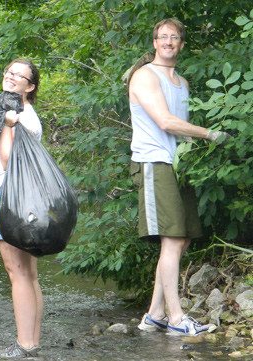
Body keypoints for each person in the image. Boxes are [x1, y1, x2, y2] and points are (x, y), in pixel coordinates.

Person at [129, 18, 229, 336]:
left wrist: (195, 153)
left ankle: (155, 314)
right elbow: (165, 121)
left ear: (181, 45)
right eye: (163, 37)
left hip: (177, 165)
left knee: (181, 240)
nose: (169, 41)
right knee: (171, 240)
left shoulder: (182, 83)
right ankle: (176, 319)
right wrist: (209, 134)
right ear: (155, 43)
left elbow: (181, 132)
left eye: (175, 37)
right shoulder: (145, 76)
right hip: (153, 163)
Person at [0, 58, 43, 358]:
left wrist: (5, 123)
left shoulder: (14, 114)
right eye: (8, 71)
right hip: (21, 194)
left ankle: (24, 345)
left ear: (30, 87)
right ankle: (33, 342)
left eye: (19, 75)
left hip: (13, 196)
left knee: (16, 272)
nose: (11, 76)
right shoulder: (26, 112)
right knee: (29, 274)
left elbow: (7, 160)